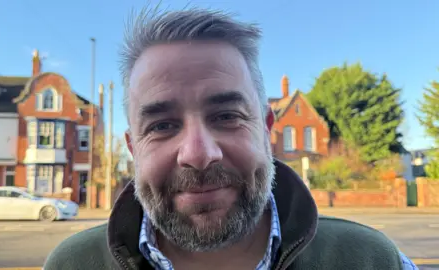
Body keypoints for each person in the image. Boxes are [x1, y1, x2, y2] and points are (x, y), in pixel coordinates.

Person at [44, 7, 418, 270]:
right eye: (161, 126)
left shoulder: (369, 259)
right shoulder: (71, 264)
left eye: (226, 116)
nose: (198, 154)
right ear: (132, 148)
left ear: (266, 130)